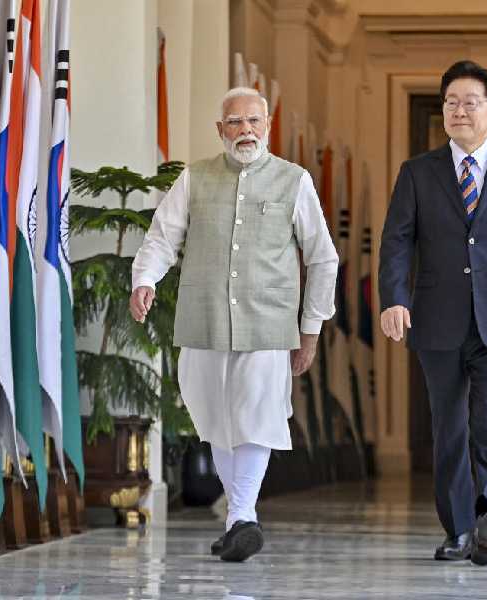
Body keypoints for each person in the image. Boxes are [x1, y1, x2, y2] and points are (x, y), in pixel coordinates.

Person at [130, 87, 338, 562]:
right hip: (203, 318)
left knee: (256, 418)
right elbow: (163, 237)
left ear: (268, 126)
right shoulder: (195, 177)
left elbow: (323, 258)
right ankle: (239, 520)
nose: (246, 130)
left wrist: (311, 328)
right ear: (220, 129)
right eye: (236, 122)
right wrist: (145, 279)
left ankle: (243, 515)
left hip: (268, 322)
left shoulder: (294, 180)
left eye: (254, 121)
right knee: (215, 421)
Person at [378, 60, 487, 566]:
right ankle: (458, 531)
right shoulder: (418, 172)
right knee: (450, 429)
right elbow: (396, 241)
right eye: (451, 102)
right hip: (437, 319)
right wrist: (394, 298)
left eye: (470, 102)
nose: (459, 111)